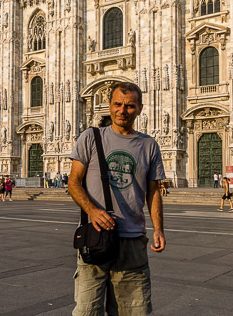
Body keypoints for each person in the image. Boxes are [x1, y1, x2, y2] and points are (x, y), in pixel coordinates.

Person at [69, 82, 165, 316]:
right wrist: (92, 211)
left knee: (133, 311)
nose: (123, 110)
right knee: (86, 311)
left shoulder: (149, 145)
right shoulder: (90, 137)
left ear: (140, 108)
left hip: (132, 242)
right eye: (118, 104)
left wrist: (159, 229)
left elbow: (153, 192)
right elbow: (73, 182)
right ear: (109, 106)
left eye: (130, 106)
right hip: (95, 239)